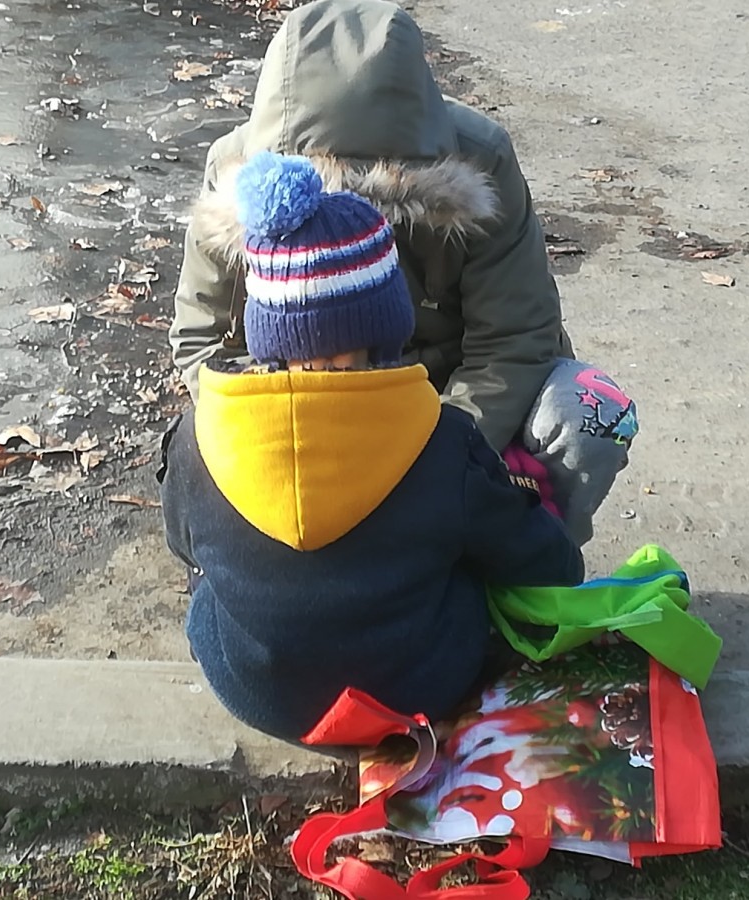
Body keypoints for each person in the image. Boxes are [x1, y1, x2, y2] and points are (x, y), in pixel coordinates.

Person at [170, 0, 636, 547]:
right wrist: (281, 447)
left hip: (449, 402)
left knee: (590, 413)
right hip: (309, 400)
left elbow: (514, 338)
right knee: (190, 445)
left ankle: (527, 563)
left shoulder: (481, 160)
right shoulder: (238, 175)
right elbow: (204, 341)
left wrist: (436, 461)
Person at [158, 153, 584, 741]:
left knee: (210, 590)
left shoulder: (199, 436)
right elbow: (546, 566)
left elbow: (182, 544)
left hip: (257, 693)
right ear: (386, 324)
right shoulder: (440, 439)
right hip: (413, 693)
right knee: (470, 571)